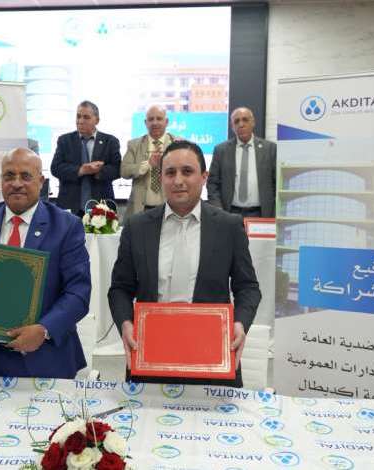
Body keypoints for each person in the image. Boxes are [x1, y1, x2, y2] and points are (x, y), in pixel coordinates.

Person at [108, 140, 261, 387]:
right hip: (150, 356)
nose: (178, 180)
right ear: (161, 178)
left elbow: (248, 287)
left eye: (187, 171)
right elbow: (120, 288)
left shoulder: (229, 226)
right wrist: (126, 323)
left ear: (204, 177)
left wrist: (240, 324)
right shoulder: (137, 227)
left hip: (211, 356)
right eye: (170, 173)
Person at [0, 148, 91, 385]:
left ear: (41, 181)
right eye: (9, 176)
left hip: (46, 360)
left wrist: (44, 329)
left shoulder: (66, 226)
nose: (17, 183)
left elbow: (78, 293)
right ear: (1, 180)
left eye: (26, 176)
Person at [50, 101, 121, 215]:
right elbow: (55, 168)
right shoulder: (65, 140)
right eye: (78, 116)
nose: (80, 121)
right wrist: (81, 170)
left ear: (97, 120)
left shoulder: (110, 141)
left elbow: (118, 169)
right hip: (69, 205)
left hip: (101, 207)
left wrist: (98, 171)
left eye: (86, 117)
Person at [207, 107, 277, 218]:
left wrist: (274, 212)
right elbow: (212, 184)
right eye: (236, 121)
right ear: (232, 127)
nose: (241, 124)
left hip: (261, 214)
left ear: (253, 122)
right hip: (229, 213)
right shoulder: (221, 150)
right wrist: (218, 209)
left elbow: (277, 184)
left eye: (245, 120)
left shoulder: (270, 149)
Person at [120, 105, 179, 218]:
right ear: (145, 123)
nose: (155, 123)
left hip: (169, 210)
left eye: (159, 119)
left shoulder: (178, 144)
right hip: (140, 209)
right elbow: (124, 171)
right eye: (151, 119)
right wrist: (148, 164)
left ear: (166, 122)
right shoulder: (134, 145)